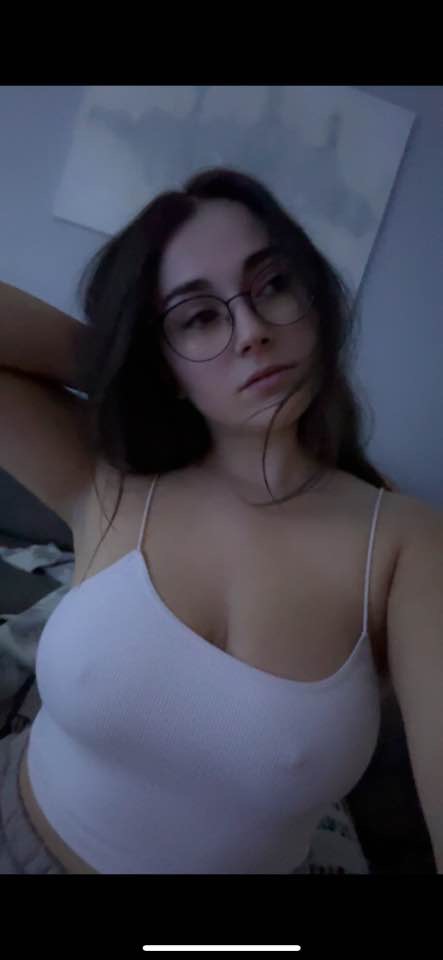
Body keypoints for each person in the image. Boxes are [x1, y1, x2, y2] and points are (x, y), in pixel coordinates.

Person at [0, 167, 441, 874]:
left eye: (273, 284)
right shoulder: (109, 477)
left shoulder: (404, 545)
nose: (252, 332)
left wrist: (183, 349)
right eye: (198, 316)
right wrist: (129, 363)